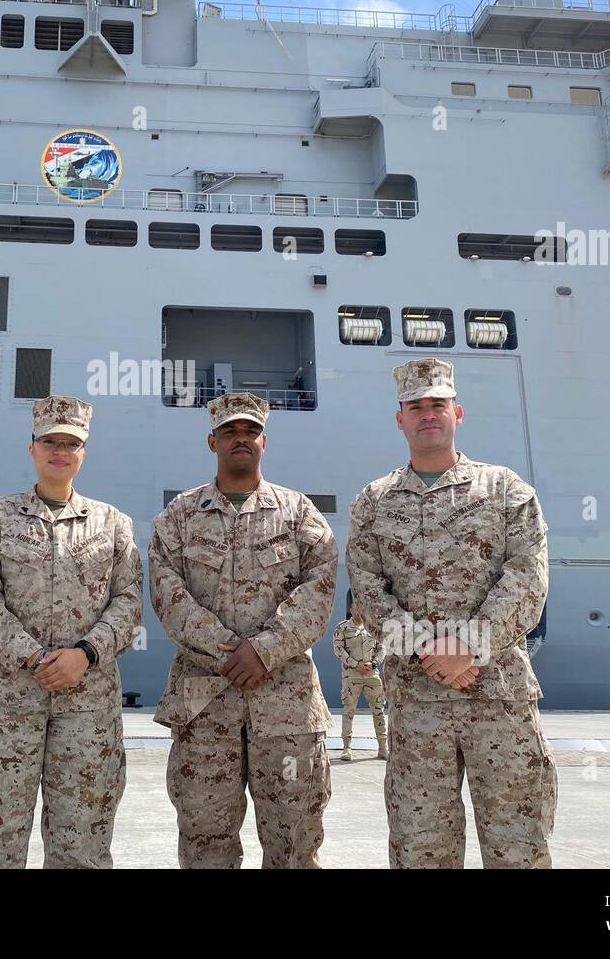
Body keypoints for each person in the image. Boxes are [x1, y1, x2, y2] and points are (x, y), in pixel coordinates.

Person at [346, 358, 556, 869]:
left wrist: (468, 647)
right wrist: (429, 651)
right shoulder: (374, 501)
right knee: (421, 848)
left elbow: (529, 577)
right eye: (415, 407)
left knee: (518, 845)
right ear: (400, 419)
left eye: (437, 405)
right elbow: (368, 590)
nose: (427, 415)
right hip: (417, 703)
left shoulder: (505, 489)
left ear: (457, 412)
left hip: (500, 698)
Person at [0, 396, 142, 868]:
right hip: (5, 706)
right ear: (32, 448)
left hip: (88, 709)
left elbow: (128, 602)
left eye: (71, 442)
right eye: (50, 441)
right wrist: (35, 658)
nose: (61, 450)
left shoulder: (113, 525)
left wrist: (85, 654)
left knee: (83, 844)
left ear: (84, 452)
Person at [149, 392, 337, 868]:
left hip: (286, 708)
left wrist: (265, 651)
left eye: (250, 431)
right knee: (204, 837)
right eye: (230, 432)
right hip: (204, 706)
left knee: (294, 839)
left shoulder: (298, 514)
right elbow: (167, 594)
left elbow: (320, 589)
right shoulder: (178, 517)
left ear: (264, 442)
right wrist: (227, 653)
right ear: (212, 441)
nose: (241, 439)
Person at [333, 595, 388, 761]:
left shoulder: (372, 628)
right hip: (352, 676)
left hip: (372, 675)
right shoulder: (342, 628)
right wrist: (355, 664)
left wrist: (374, 663)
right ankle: (347, 748)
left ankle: (382, 748)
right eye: (357, 607)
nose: (360, 611)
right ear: (351, 610)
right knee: (349, 711)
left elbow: (382, 648)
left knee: (379, 711)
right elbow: (338, 649)